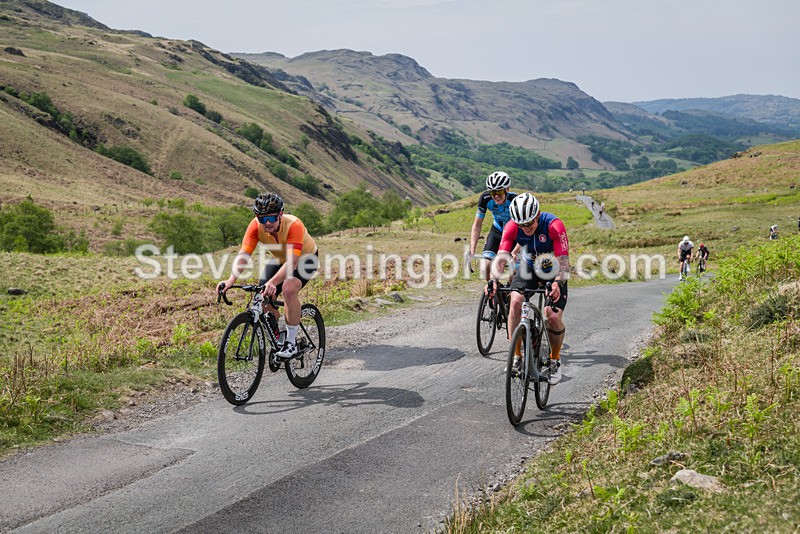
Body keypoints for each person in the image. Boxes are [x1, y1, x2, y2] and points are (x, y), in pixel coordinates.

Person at [217, 193, 319, 360]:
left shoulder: (294, 225)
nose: (268, 223)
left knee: (287, 288)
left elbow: (292, 263)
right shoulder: (255, 226)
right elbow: (244, 255)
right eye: (263, 219)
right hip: (280, 259)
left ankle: (291, 343)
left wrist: (272, 282)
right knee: (262, 294)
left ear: (280, 214)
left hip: (305, 259)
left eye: (271, 218)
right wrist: (230, 280)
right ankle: (279, 335)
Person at [486, 192, 569, 385]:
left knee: (553, 316)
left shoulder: (554, 226)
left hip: (553, 270)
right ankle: (516, 356)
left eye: (529, 224)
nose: (526, 228)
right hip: (529, 268)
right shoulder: (512, 227)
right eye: (521, 225)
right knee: (514, 302)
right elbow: (501, 257)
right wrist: (493, 280)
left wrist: (557, 282)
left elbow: (564, 262)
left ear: (537, 215)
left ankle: (555, 360)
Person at [469, 171, 518, 280]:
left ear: (507, 189)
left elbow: (524, 227)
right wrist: (472, 250)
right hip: (497, 231)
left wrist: (515, 251)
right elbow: (477, 225)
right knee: (485, 268)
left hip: (514, 234)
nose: (496, 196)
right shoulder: (485, 198)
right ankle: (495, 293)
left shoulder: (515, 201)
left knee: (513, 273)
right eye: (493, 192)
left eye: (499, 192)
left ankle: (511, 293)